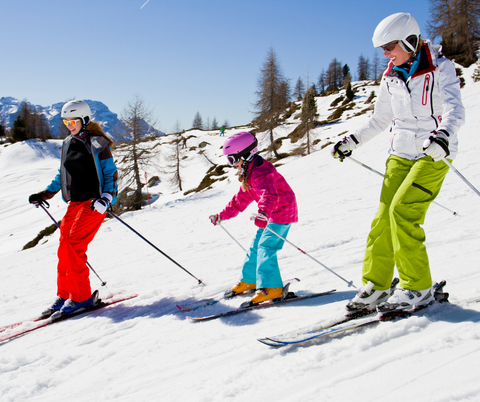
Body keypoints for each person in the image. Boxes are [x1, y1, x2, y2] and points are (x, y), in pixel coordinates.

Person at [331, 12, 465, 313]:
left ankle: (418, 287)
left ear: (410, 40)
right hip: (400, 154)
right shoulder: (390, 75)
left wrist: (443, 135)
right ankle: (376, 285)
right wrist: (352, 140)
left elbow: (456, 110)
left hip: (434, 152)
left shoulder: (440, 68)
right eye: (382, 49)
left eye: (390, 46)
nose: (386, 53)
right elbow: (380, 118)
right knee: (382, 219)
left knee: (402, 212)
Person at [29, 100, 118, 319]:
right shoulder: (68, 142)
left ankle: (82, 297)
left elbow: (111, 173)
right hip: (75, 203)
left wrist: (107, 197)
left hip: (93, 204)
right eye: (66, 121)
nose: (69, 125)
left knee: (74, 244)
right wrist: (46, 193)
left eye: (73, 121)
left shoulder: (98, 143)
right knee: (63, 248)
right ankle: (65, 294)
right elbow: (63, 174)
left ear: (85, 120)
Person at [209, 132, 298, 304]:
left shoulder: (262, 172)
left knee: (266, 246)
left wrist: (263, 213)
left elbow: (269, 194)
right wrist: (222, 215)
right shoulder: (250, 173)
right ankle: (250, 280)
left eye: (233, 160)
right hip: (270, 214)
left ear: (246, 155)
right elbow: (239, 200)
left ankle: (272, 288)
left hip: (282, 211)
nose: (232, 165)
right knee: (256, 246)